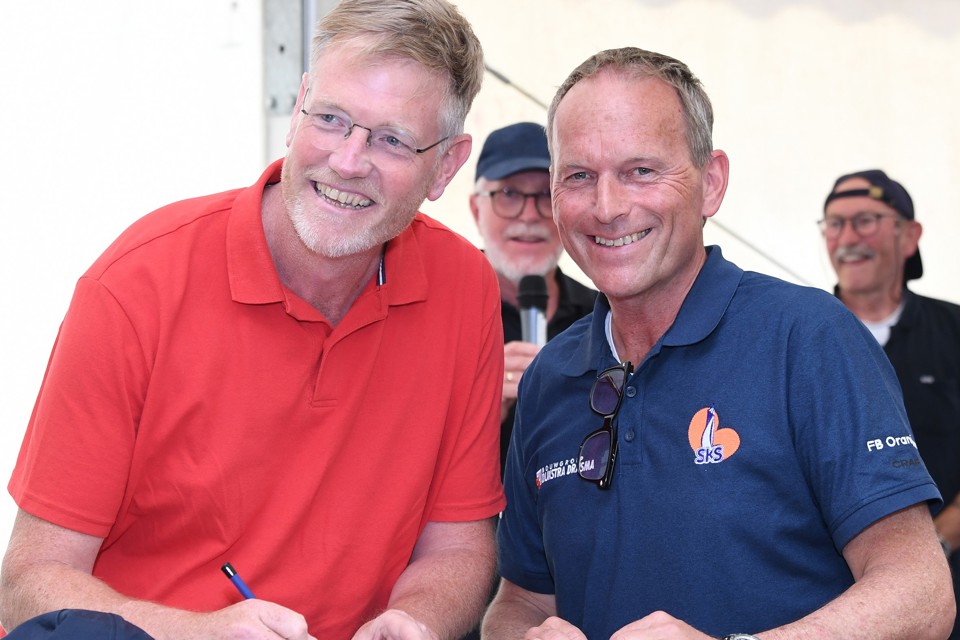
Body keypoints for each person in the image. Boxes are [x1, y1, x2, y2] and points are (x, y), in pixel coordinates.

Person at [0, 1, 506, 639]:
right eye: (331, 119)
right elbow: (28, 583)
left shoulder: (464, 287)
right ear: (297, 107)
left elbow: (457, 545)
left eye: (392, 139)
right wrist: (198, 633)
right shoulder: (138, 284)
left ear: (448, 165)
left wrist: (416, 620)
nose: (348, 161)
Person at [482, 46, 955, 640]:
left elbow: (920, 590)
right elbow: (521, 598)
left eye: (641, 171)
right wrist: (526, 634)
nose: (607, 207)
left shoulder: (807, 337)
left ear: (711, 184)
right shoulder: (552, 375)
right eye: (578, 176)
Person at [821, 168, 960, 640]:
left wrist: (934, 543)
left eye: (865, 220)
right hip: (825, 604)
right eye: (834, 224)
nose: (847, 238)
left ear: (909, 235)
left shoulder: (954, 331)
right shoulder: (801, 336)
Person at [469, 122, 597, 471]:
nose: (528, 216)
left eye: (544, 195)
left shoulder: (605, 317)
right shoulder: (434, 310)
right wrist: (471, 415)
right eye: (508, 194)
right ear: (476, 209)